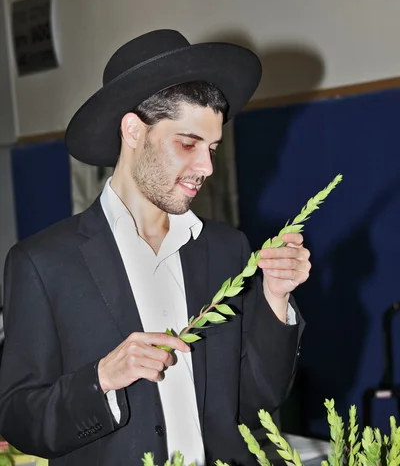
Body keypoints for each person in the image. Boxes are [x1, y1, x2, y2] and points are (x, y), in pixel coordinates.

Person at [0, 30, 310, 466]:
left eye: (212, 148)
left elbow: (258, 398)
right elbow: (17, 419)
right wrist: (102, 379)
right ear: (132, 131)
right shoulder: (43, 263)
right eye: (187, 144)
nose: (205, 167)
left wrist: (276, 298)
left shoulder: (226, 249)